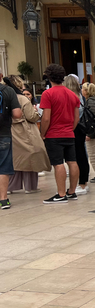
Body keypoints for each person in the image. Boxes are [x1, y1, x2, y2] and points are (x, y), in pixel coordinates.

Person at [39, 64, 80, 204]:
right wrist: (70, 128)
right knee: (72, 161)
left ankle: (61, 194)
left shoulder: (47, 94)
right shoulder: (72, 94)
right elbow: (76, 118)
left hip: (53, 134)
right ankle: (72, 191)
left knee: (58, 164)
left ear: (49, 77)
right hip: (69, 133)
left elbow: (45, 118)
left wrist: (42, 133)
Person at [4, 76, 50, 196]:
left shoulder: (4, 96)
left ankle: (10, 187)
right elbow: (31, 116)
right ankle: (30, 186)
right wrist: (36, 112)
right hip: (25, 131)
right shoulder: (22, 99)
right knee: (31, 158)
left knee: (14, 160)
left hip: (9, 130)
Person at [63, 75, 90, 195]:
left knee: (78, 157)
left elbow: (75, 116)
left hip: (74, 128)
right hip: (79, 129)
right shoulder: (80, 96)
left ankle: (82, 184)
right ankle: (82, 182)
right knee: (80, 156)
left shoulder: (72, 97)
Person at [0, 77, 22, 209]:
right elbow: (17, 114)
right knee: (3, 168)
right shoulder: (8, 90)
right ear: (1, 76)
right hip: (3, 134)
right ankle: (3, 199)